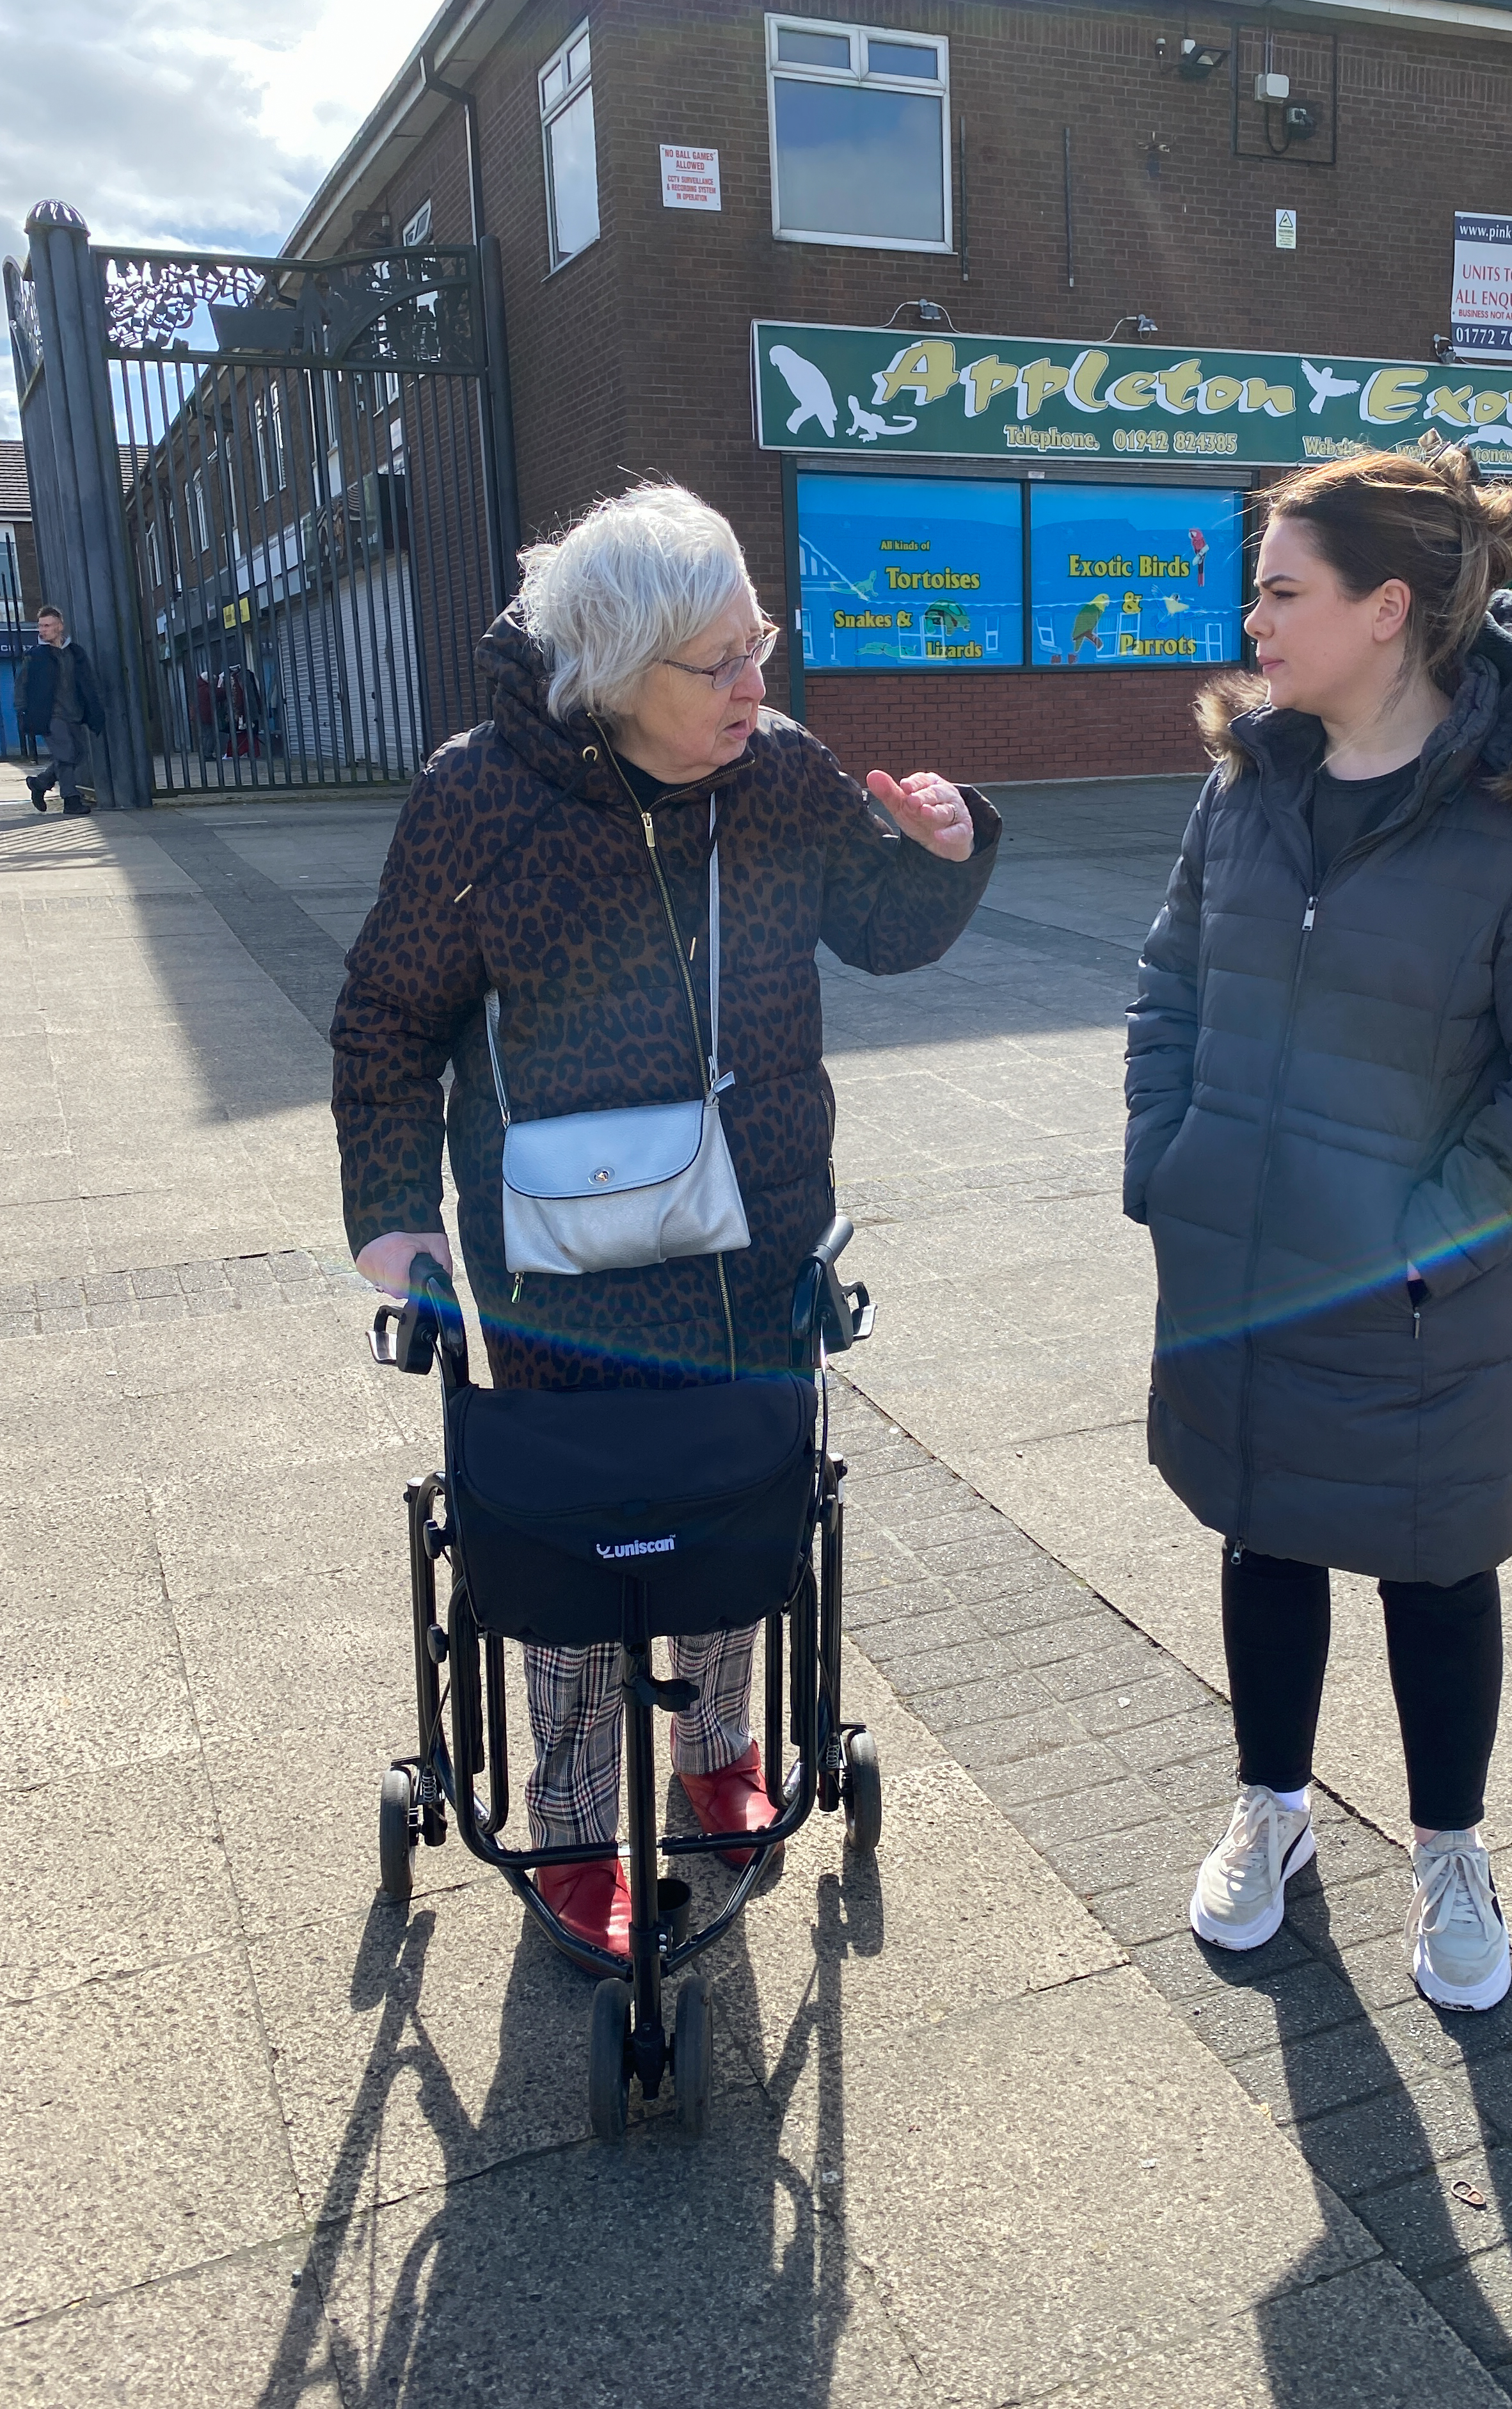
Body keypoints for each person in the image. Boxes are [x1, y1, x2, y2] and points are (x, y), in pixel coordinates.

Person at [332, 483, 999, 1960]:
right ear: (614, 667)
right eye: (721, 660)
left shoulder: (779, 771)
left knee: (725, 1505)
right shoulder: (478, 796)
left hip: (753, 1241)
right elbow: (388, 1016)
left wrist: (945, 850)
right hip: (558, 1267)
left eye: (761, 641)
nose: (756, 683)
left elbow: (883, 930)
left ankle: (716, 1750)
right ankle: (571, 1822)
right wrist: (391, 1222)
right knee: (571, 1533)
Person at [1124, 444, 1512, 2012]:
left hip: (1428, 1300)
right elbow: (1169, 984)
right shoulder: (1248, 785)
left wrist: (1423, 1242)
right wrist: (1173, 1158)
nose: (1253, 621)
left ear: (1388, 606)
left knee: (1434, 1570)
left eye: (1283, 590)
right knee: (1261, 1530)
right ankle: (1271, 1806)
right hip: (1241, 1269)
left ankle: (1448, 1848)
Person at [20, 605, 104, 816]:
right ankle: (71, 800)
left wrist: (94, 708)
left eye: (47, 626)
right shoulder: (35, 656)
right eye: (40, 626)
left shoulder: (75, 653)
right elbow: (21, 685)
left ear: (60, 627)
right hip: (50, 716)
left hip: (74, 714)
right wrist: (21, 710)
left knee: (79, 753)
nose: (42, 630)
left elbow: (88, 682)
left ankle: (40, 784)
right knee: (66, 755)